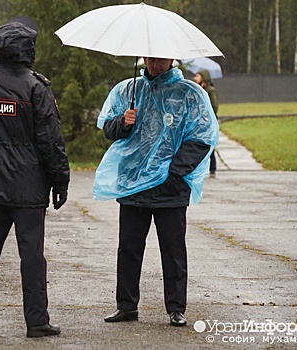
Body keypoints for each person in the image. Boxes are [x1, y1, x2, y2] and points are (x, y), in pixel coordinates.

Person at [0, 16, 70, 337]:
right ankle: (37, 322)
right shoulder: (36, 86)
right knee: (32, 256)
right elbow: (50, 141)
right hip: (28, 187)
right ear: (27, 50)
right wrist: (60, 181)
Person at [94, 57, 218, 327]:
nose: (156, 64)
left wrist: (172, 172)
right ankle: (126, 306)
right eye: (151, 58)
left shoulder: (189, 94)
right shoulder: (128, 90)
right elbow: (108, 129)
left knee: (173, 251)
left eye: (161, 58)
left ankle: (176, 307)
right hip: (133, 185)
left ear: (171, 59)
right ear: (144, 59)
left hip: (170, 190)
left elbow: (202, 137)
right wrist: (123, 123)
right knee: (128, 248)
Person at [193, 70, 219, 177]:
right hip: (199, 122)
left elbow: (214, 106)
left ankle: (212, 168)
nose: (195, 77)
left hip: (208, 122)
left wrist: (206, 116)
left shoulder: (210, 91)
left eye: (197, 76)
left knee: (209, 146)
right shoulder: (198, 89)